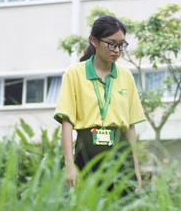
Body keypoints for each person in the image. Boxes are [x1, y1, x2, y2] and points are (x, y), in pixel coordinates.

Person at [54, 15, 144, 194]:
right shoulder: (74, 74)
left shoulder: (126, 76)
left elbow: (130, 128)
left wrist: (136, 169)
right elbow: (67, 123)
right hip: (87, 150)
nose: (117, 50)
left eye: (121, 45)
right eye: (111, 43)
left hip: (120, 151)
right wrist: (69, 165)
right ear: (94, 41)